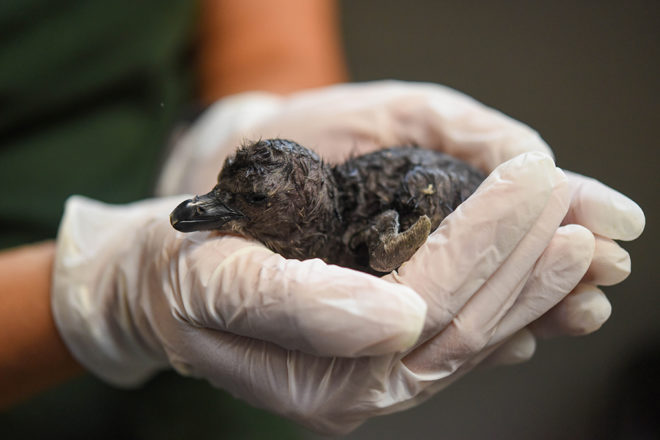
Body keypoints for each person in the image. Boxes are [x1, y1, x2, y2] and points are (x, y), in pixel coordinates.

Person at [0, 0, 644, 437]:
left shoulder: (343, 225)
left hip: (240, 387)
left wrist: (254, 113)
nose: (212, 206)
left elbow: (270, 42)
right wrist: (98, 296)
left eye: (248, 200)